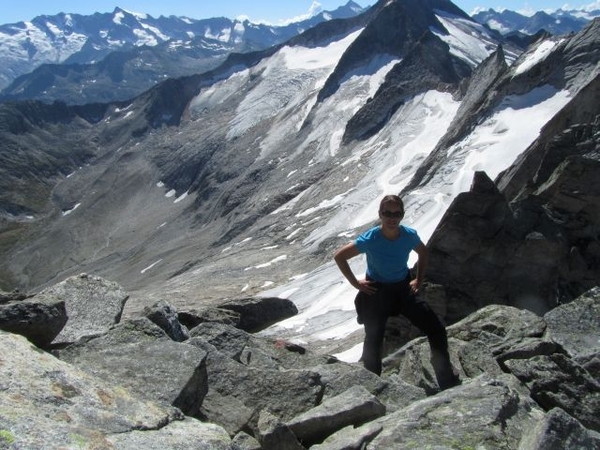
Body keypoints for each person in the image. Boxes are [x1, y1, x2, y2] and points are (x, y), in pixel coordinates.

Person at [333, 194, 459, 389]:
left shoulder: (409, 236)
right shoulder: (371, 238)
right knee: (373, 340)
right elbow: (340, 256)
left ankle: (445, 376)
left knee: (436, 329)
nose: (392, 217)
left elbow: (423, 253)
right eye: (387, 213)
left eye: (396, 213)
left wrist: (419, 278)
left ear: (402, 215)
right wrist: (356, 284)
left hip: (401, 289)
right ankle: (372, 386)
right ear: (380, 215)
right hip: (377, 291)